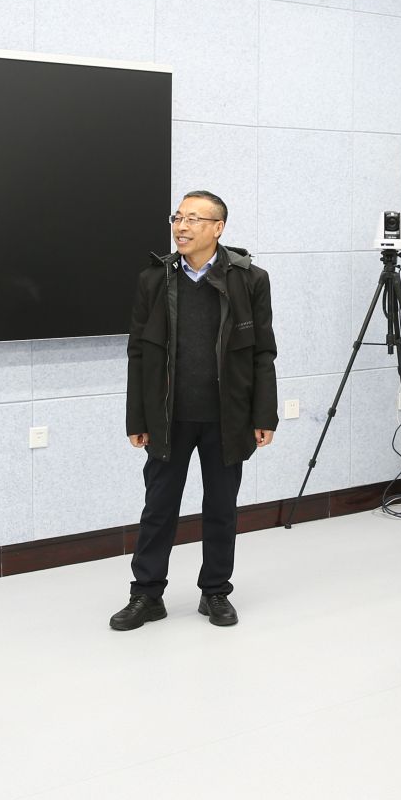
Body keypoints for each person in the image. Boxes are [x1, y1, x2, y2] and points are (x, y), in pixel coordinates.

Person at [115, 192, 278, 631]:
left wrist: (264, 415)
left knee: (221, 508)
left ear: (218, 228)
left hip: (228, 417)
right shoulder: (154, 280)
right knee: (158, 508)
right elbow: (138, 353)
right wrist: (137, 418)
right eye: (178, 217)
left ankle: (215, 591)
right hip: (168, 417)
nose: (181, 227)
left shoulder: (250, 279)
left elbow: (263, 352)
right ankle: (146, 594)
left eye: (193, 219)